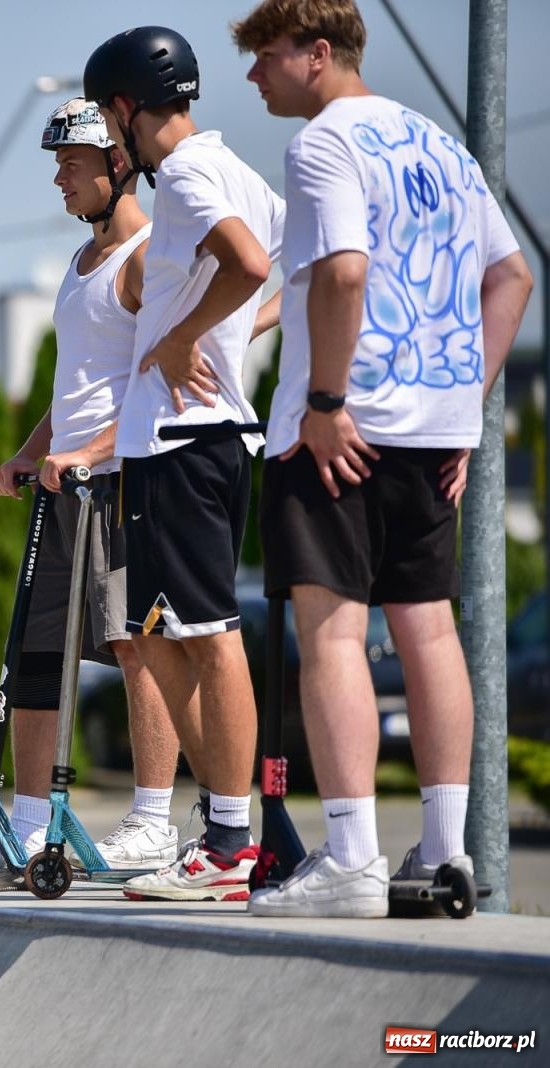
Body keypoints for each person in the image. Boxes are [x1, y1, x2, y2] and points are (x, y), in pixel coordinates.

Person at [232, 0, 533, 917]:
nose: (255, 77)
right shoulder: (442, 147)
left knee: (331, 635)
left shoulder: (326, 143)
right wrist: (464, 411)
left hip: (344, 428)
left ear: (317, 55)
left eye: (266, 58)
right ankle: (447, 856)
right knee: (430, 629)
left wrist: (324, 401)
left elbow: (345, 271)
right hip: (431, 434)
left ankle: (354, 860)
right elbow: (513, 275)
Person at [0, 98, 183, 892]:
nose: (58, 179)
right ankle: (30, 826)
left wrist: (90, 454)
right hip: (65, 488)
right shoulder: (81, 268)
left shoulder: (147, 257)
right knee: (36, 658)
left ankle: (152, 820)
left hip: (120, 486)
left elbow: (159, 389)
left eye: (69, 164)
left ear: (115, 164)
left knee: (139, 650)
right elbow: (77, 387)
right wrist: (32, 451)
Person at [84, 25, 286, 901]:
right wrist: (229, 335)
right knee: (160, 637)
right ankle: (226, 832)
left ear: (127, 108)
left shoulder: (195, 174)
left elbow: (245, 263)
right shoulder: (233, 171)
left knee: (206, 637)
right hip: (179, 440)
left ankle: (234, 847)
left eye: (104, 116)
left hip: (183, 442)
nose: (109, 135)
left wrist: (179, 341)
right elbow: (279, 275)